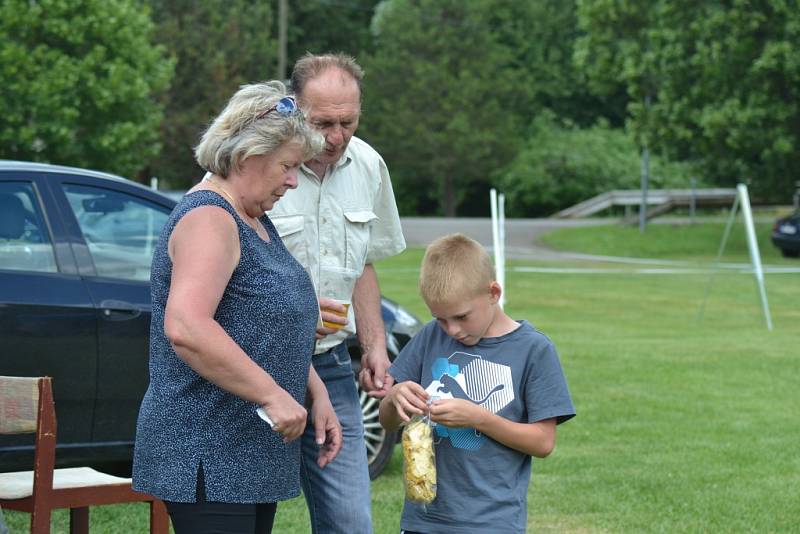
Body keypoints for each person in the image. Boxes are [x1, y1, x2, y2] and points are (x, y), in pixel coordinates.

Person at [132, 81, 341, 534]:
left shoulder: (253, 217)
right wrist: (272, 395)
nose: (291, 180)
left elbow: (260, 328)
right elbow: (187, 326)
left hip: (248, 451)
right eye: (287, 166)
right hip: (207, 447)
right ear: (248, 155)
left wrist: (315, 391)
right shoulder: (210, 218)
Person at [267, 52, 406, 534]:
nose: (336, 136)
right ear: (292, 107)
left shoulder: (368, 165)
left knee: (350, 522)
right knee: (241, 516)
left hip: (330, 363)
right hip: (256, 366)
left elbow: (363, 262)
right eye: (322, 122)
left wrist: (373, 345)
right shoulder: (258, 164)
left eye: (348, 121)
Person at [379, 233, 576, 534]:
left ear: (493, 293)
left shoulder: (534, 350)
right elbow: (388, 422)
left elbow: (543, 442)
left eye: (461, 316)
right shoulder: (431, 336)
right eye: (441, 319)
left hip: (492, 522)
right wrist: (394, 397)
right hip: (424, 520)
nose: (452, 330)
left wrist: (479, 419)